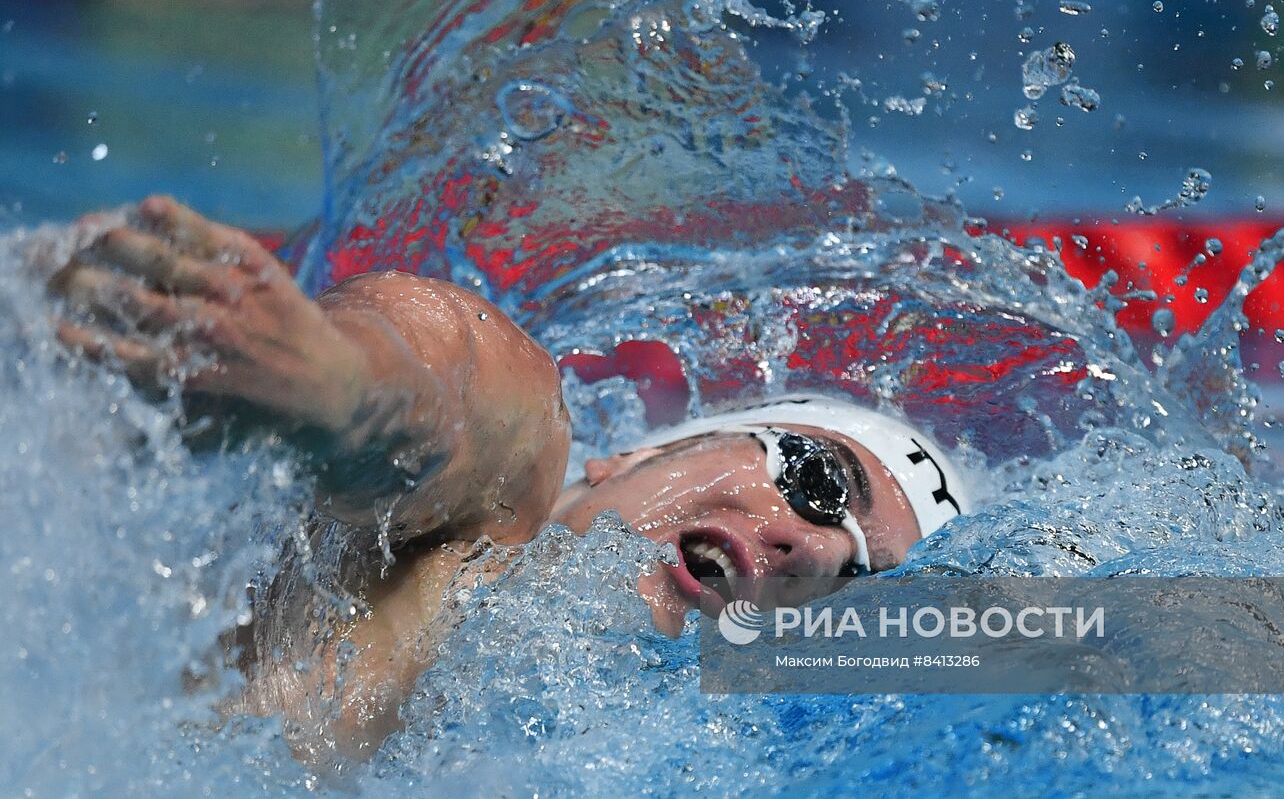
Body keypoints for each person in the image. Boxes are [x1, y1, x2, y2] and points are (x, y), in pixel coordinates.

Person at [47, 194, 968, 760]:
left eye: (853, 581)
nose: (808, 545)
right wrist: (329, 388)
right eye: (816, 480)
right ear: (646, 451)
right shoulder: (503, 499)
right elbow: (459, 384)